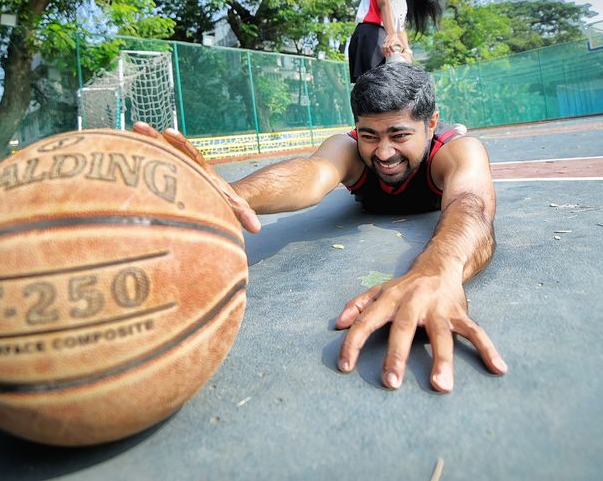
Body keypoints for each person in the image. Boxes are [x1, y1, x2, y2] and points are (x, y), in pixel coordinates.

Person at [134, 63, 506, 393]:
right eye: (370, 135)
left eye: (399, 135)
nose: (383, 153)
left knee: (463, 146)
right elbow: (310, 175)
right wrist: (226, 194)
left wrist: (438, 270)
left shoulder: (456, 151)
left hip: (444, 165)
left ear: (429, 123)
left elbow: (470, 207)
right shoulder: (349, 149)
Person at [347, 0, 445, 83]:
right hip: (371, 35)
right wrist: (392, 35)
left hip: (385, 40)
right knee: (370, 90)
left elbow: (401, 26)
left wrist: (407, 52)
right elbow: (384, 3)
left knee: (387, 92)